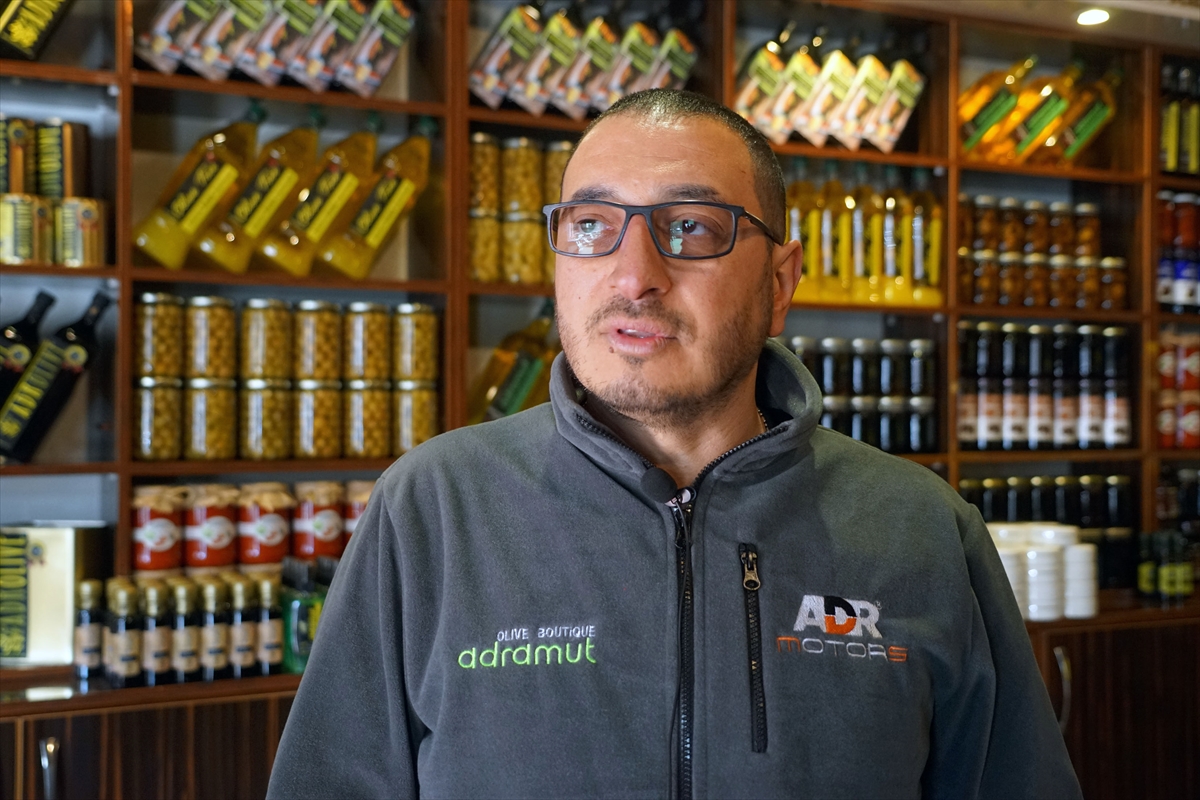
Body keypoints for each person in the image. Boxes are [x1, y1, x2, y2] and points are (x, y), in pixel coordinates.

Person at [266, 89, 1082, 800]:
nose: (634, 275)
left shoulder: (921, 528)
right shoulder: (433, 509)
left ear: (779, 283)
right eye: (592, 225)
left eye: (690, 227)